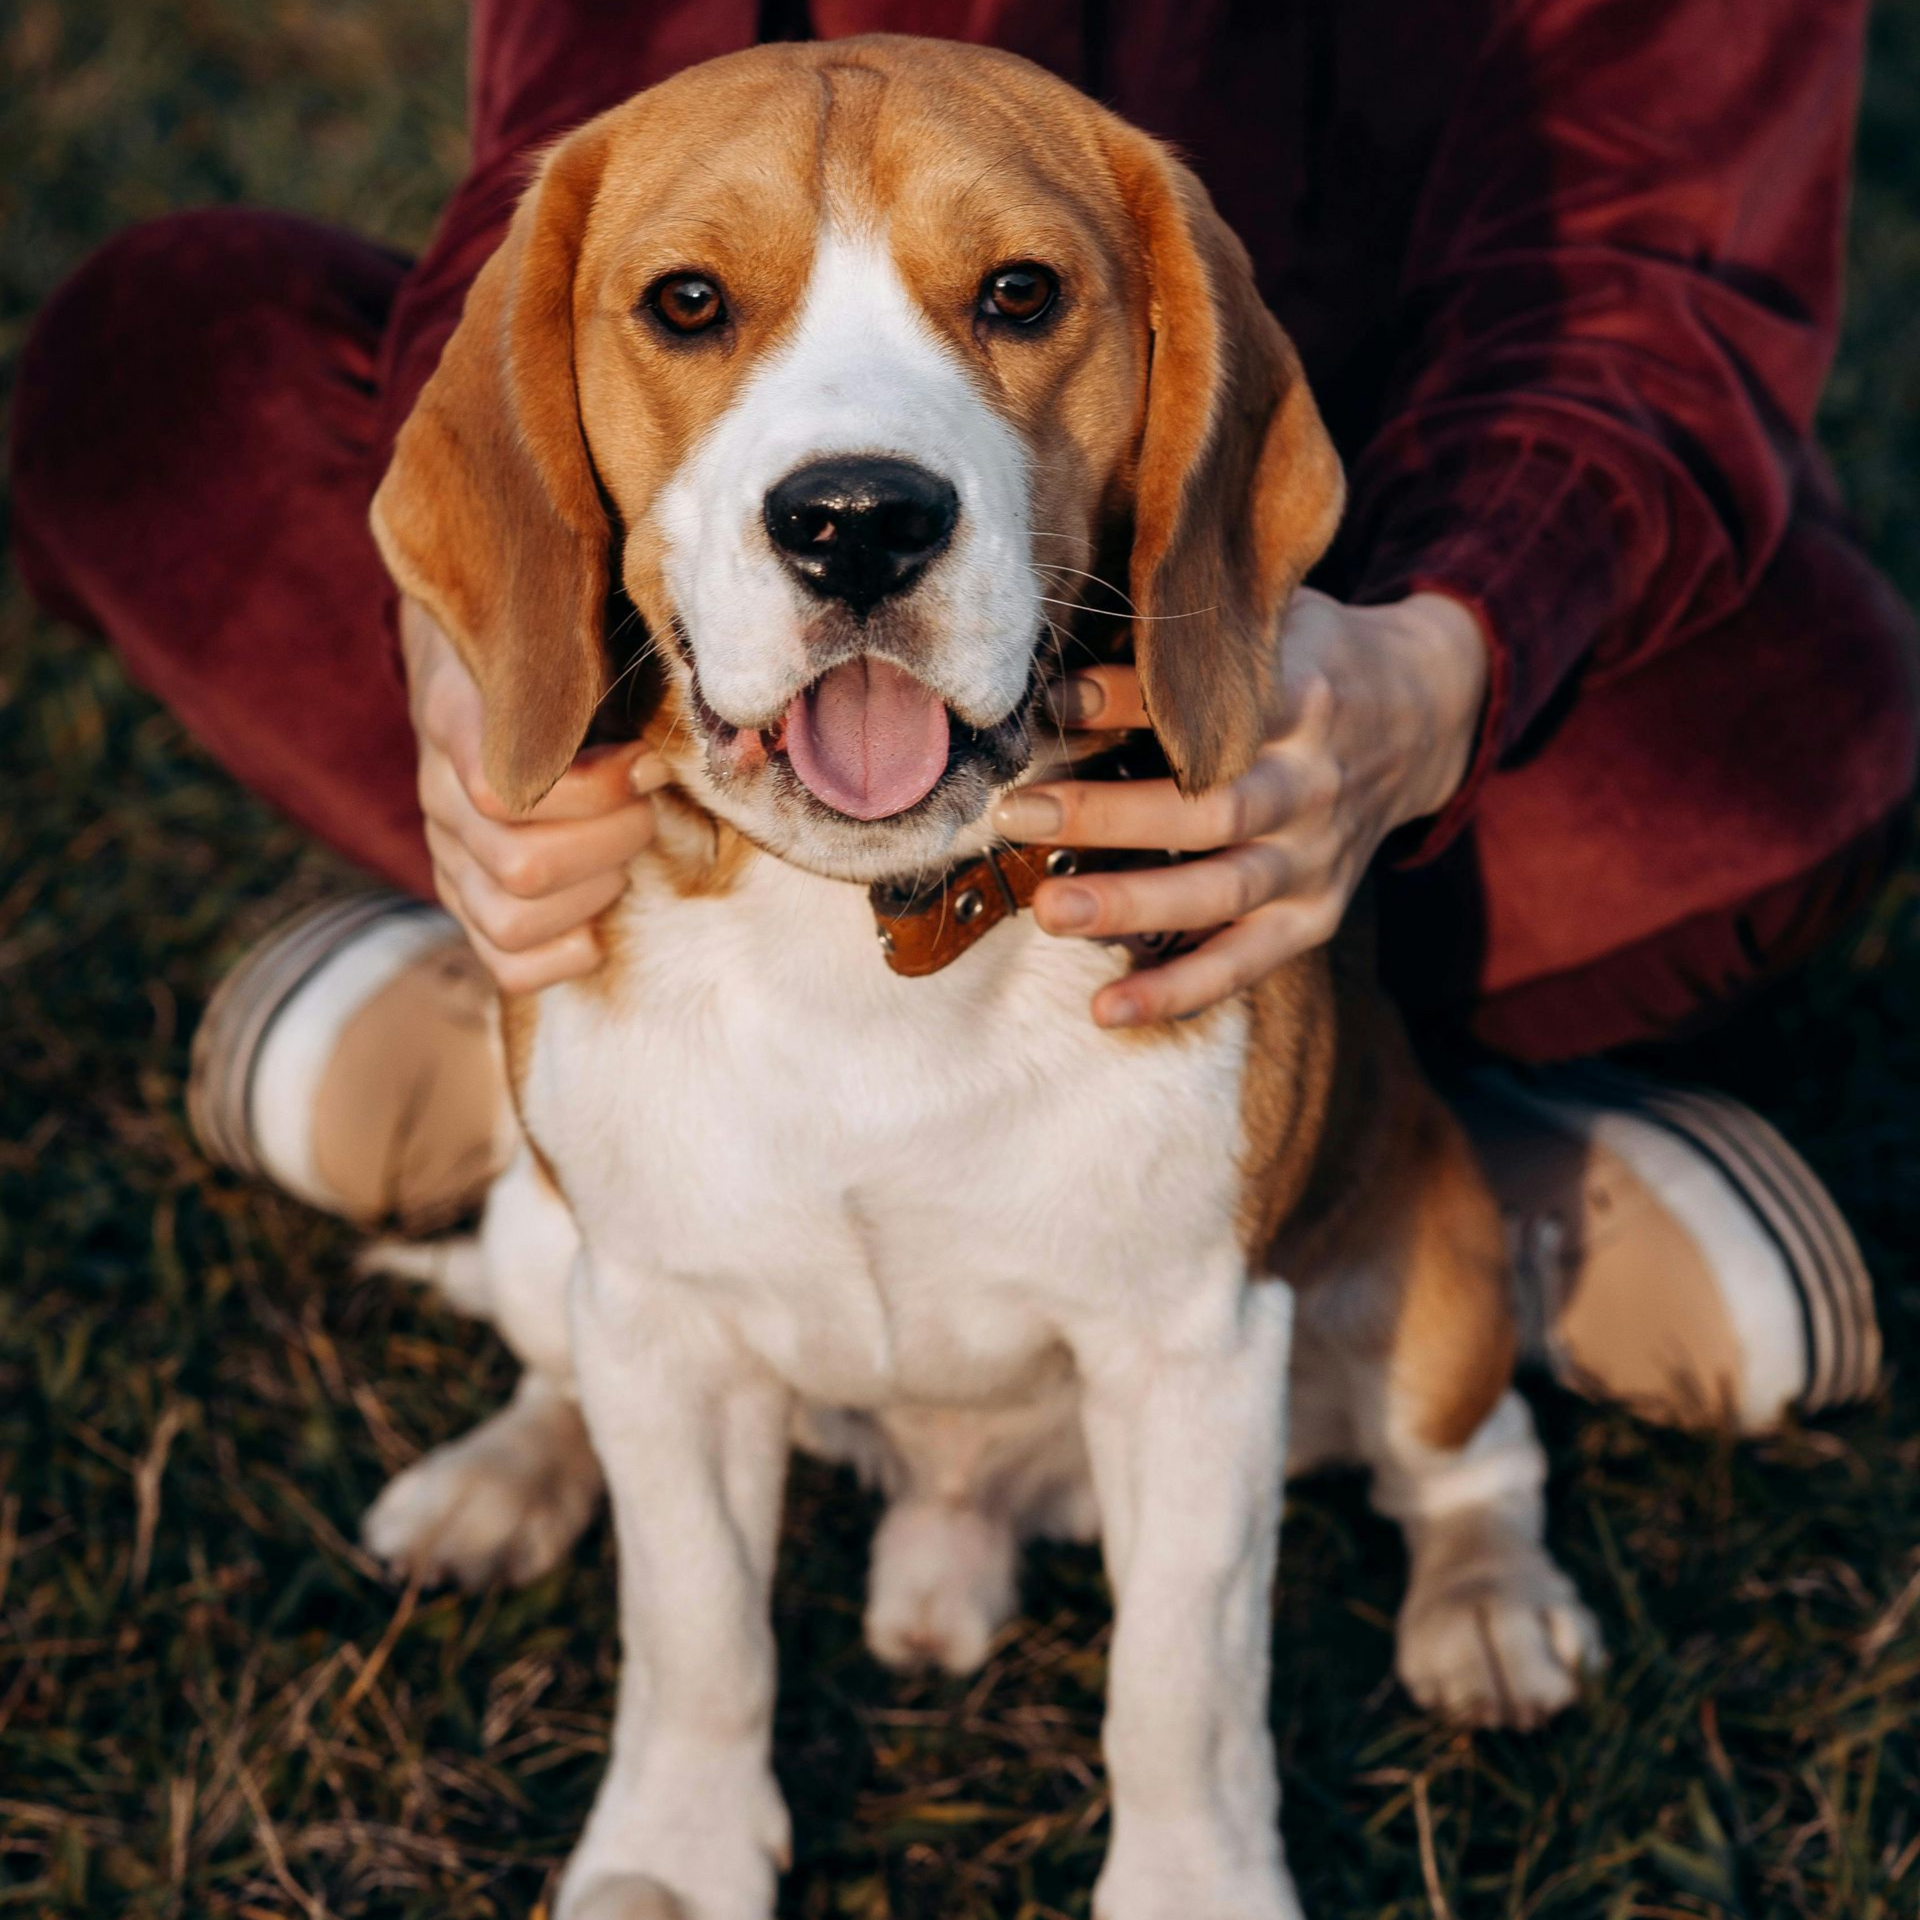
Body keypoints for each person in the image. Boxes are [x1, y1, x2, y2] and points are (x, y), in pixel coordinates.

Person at [12, 0, 1912, 1435]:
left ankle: (1383, 1175)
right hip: (733, 575)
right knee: (163, 361)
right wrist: (476, 630)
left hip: (1305, 515)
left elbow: (1656, 275)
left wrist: (1433, 664)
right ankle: (579, 1046)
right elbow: (585, 153)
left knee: (1802, 732)